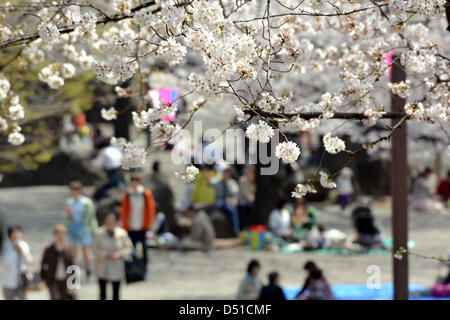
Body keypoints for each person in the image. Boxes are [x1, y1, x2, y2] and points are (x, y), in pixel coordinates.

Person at [93, 212, 133, 300]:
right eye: (108, 221)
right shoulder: (99, 233)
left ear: (115, 222)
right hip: (103, 265)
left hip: (116, 266)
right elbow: (94, 249)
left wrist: (120, 254)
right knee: (102, 292)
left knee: (116, 292)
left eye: (111, 221)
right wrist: (105, 254)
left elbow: (129, 248)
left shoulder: (122, 233)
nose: (109, 223)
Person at [120, 172, 155, 270]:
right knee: (131, 248)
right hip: (131, 226)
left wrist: (148, 223)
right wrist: (124, 224)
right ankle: (132, 267)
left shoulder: (145, 193)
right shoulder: (128, 195)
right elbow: (123, 211)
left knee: (144, 248)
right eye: (133, 181)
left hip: (142, 225)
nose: (134, 184)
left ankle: (144, 266)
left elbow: (150, 209)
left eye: (136, 181)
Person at [66, 181, 97, 277]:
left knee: (85, 250)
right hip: (73, 228)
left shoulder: (86, 202)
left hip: (85, 228)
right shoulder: (69, 202)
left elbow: (90, 216)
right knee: (73, 251)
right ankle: (75, 271)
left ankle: (88, 268)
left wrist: (92, 230)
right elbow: (68, 217)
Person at [40, 224, 75, 300]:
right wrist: (43, 278)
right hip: (52, 279)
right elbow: (43, 264)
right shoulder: (49, 249)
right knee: (55, 297)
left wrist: (74, 280)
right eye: (58, 235)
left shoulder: (68, 248)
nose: (60, 237)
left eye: (62, 235)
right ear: (55, 235)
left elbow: (72, 265)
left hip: (65, 279)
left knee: (64, 297)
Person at [1, 226, 33, 300]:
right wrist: (14, 252)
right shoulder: (6, 245)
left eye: (18, 233)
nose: (17, 235)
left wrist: (23, 252)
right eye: (14, 233)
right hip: (8, 281)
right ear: (10, 234)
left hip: (22, 279)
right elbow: (5, 262)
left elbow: (29, 261)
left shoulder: (24, 244)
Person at [209, 168, 240, 237]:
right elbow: (210, 183)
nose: (225, 175)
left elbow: (236, 194)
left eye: (227, 174)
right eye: (224, 173)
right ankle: (235, 232)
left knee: (237, 209)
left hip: (229, 202)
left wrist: (235, 200)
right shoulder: (217, 182)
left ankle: (237, 230)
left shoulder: (232, 183)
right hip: (220, 203)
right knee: (231, 211)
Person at [237, 166, 256, 231]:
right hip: (243, 201)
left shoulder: (256, 180)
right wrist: (254, 200)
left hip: (252, 202)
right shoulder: (242, 180)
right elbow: (246, 194)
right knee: (242, 208)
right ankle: (242, 228)